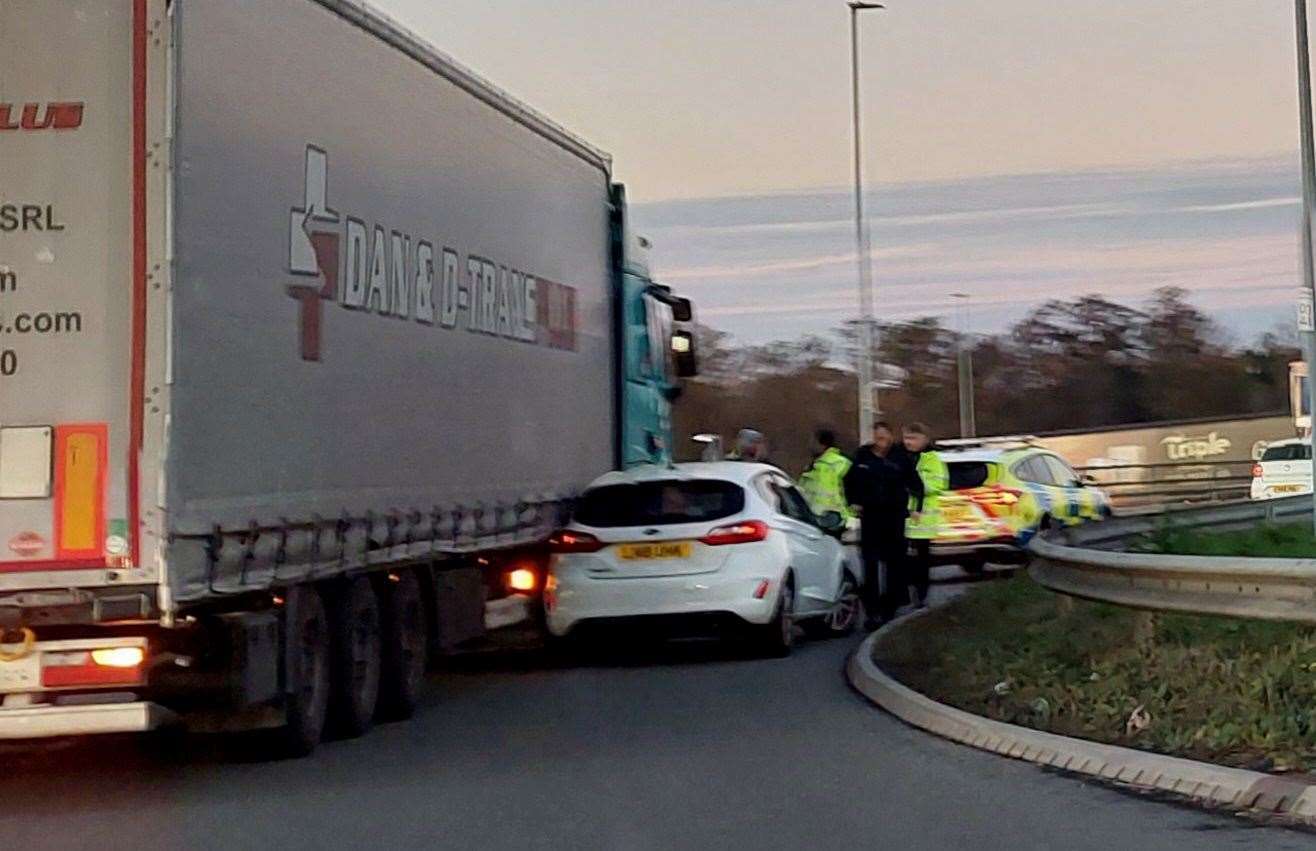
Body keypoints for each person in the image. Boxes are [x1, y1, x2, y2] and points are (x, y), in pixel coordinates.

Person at [844, 421, 924, 629]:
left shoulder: (900, 457)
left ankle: (890, 606)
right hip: (870, 516)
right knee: (869, 564)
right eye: (877, 437)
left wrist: (916, 508)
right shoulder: (863, 456)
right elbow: (848, 481)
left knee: (894, 563)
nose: (880, 442)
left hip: (894, 516)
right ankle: (872, 611)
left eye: (884, 437)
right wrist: (852, 501)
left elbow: (916, 484)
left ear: (890, 436)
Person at [903, 423, 948, 609]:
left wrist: (914, 487)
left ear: (924, 439)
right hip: (904, 517)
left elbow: (939, 484)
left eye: (913, 438)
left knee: (921, 562)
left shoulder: (932, 459)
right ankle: (908, 594)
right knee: (904, 561)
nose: (908, 442)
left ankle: (920, 596)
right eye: (906, 438)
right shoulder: (904, 457)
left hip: (923, 520)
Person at [799, 429, 852, 520]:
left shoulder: (841, 462)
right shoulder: (811, 467)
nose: (810, 446)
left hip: (839, 521)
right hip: (815, 520)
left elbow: (854, 489)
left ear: (822, 444)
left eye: (813, 442)